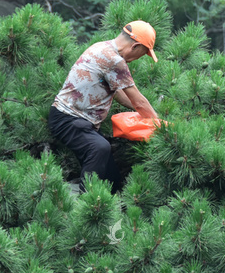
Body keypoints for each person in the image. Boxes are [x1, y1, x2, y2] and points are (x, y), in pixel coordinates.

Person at [48, 21, 160, 193]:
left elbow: (121, 96)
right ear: (135, 46)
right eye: (142, 53)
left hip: (79, 121)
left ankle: (111, 209)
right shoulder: (114, 60)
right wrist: (159, 124)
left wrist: (143, 112)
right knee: (99, 147)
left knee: (112, 177)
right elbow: (138, 101)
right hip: (68, 119)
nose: (139, 58)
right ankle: (86, 205)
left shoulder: (101, 47)